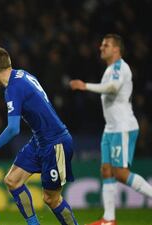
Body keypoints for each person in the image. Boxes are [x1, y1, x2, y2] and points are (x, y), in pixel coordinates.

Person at [0, 47, 78, 225]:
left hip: (56, 143)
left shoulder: (13, 90)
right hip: (40, 140)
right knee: (12, 180)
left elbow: (13, 129)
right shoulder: (20, 74)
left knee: (51, 199)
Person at [70, 33, 152, 225]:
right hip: (110, 128)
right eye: (101, 45)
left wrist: (85, 86)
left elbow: (113, 88)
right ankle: (109, 219)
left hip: (123, 127)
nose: (101, 48)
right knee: (106, 170)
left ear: (116, 49)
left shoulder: (120, 68)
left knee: (121, 173)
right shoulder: (109, 70)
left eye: (106, 45)